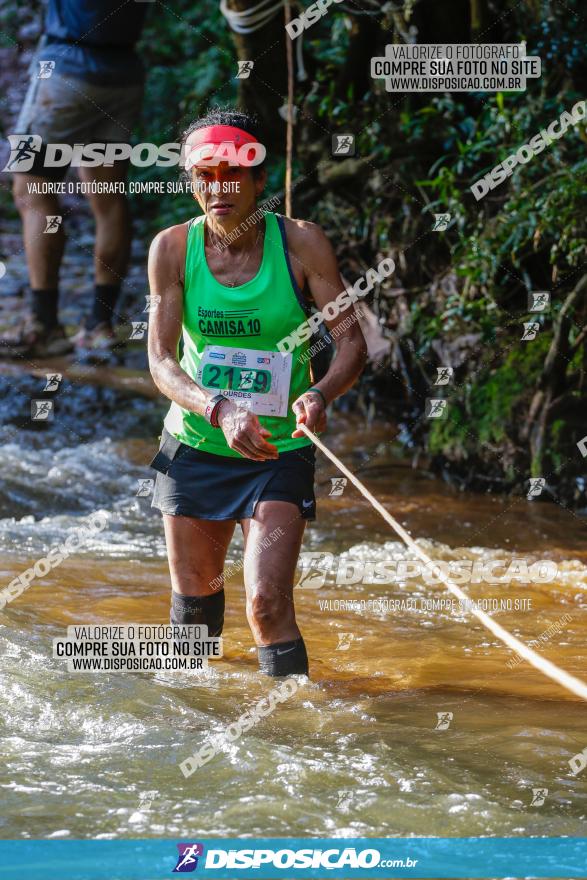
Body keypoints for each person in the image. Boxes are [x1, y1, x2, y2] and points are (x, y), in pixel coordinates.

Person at [148, 108, 367, 678]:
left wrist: (320, 394)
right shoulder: (171, 250)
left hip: (278, 452)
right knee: (195, 612)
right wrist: (218, 409)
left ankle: (290, 739)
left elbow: (351, 345)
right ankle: (195, 730)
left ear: (260, 180)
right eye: (205, 176)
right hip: (195, 445)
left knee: (267, 604)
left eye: (233, 175)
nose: (218, 188)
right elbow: (161, 360)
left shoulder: (302, 245)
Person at [2, 0, 148, 358]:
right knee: (109, 197)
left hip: (64, 71)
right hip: (124, 75)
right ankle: (99, 324)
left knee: (30, 188)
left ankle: (43, 324)